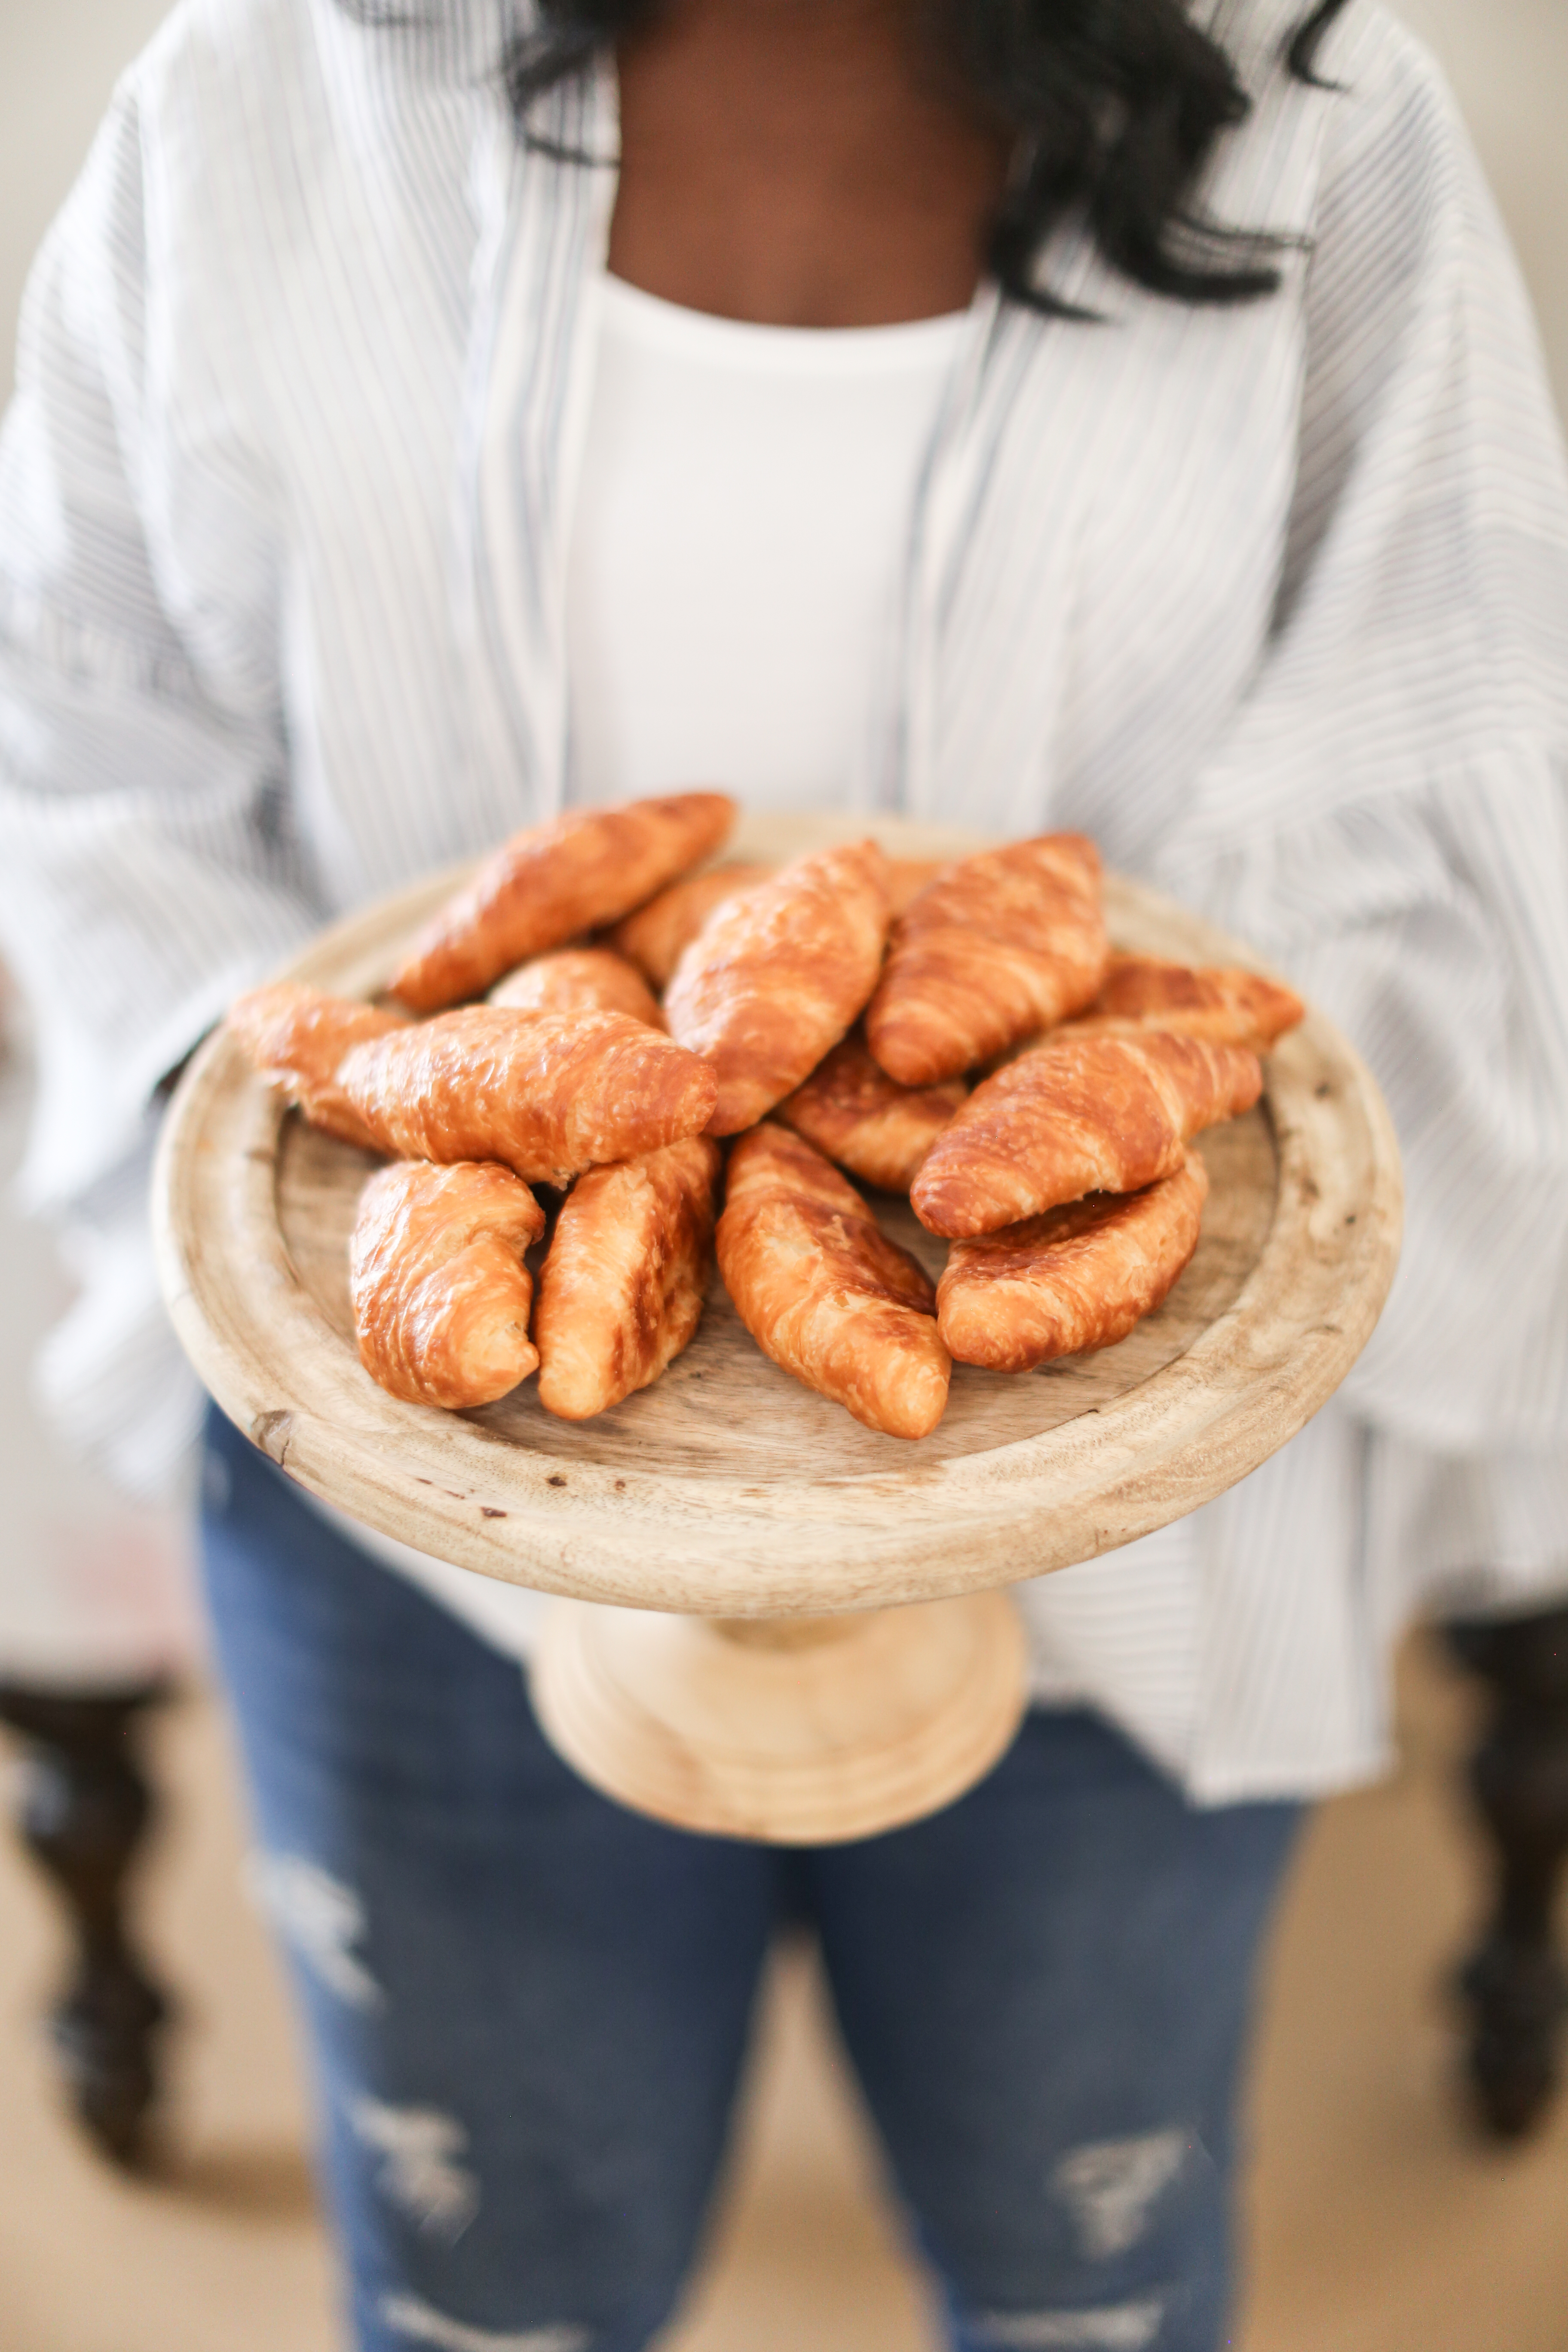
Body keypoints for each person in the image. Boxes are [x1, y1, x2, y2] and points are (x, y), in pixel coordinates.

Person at [3, 0, 1568, 2345]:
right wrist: (402, 1141)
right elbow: (78, 732)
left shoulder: (1318, 119)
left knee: (1089, 2279)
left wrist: (992, 1121)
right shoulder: (252, 100)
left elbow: (1445, 762)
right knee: (495, 2287)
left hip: (1129, 1534)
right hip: (424, 1514)